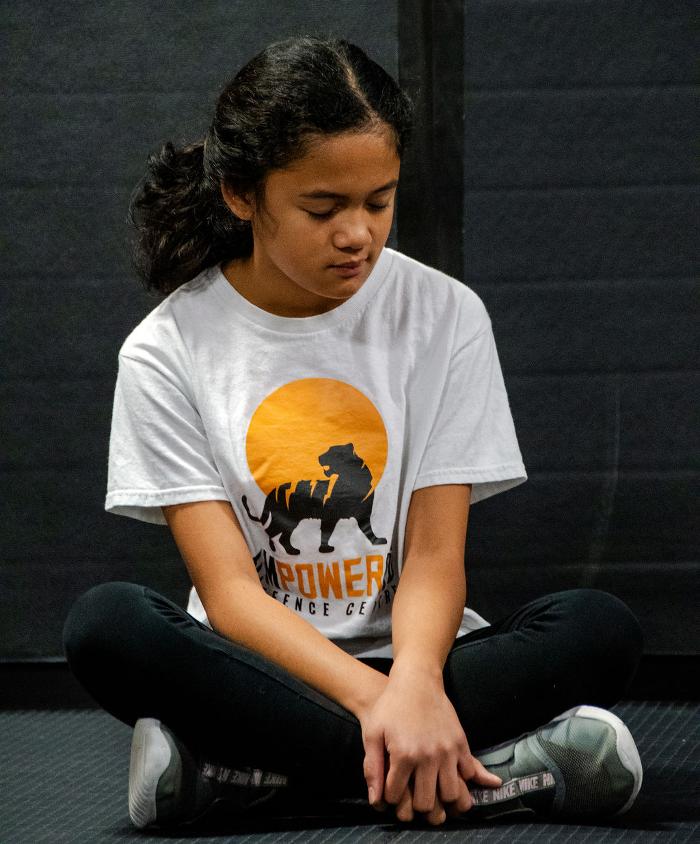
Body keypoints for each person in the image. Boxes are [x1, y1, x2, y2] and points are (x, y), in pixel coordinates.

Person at [62, 35, 644, 831]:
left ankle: (251, 781)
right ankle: (493, 774)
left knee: (599, 630)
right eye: (324, 208)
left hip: (425, 659)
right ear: (241, 194)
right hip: (262, 671)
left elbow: (434, 558)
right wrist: (380, 704)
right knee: (108, 627)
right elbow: (231, 598)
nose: (359, 234)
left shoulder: (445, 316)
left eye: (379, 201)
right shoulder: (166, 351)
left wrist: (415, 685)